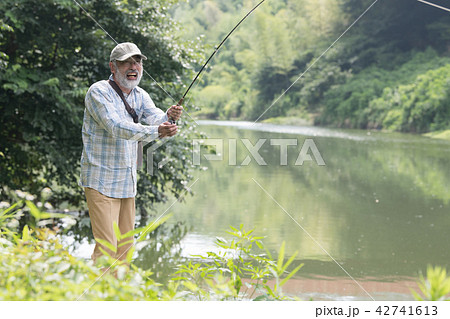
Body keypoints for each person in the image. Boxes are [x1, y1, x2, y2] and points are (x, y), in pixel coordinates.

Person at [79, 42, 183, 263]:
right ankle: (97, 296)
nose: (133, 66)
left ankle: (119, 296)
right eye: (126, 62)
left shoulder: (140, 94)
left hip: (127, 183)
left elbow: (156, 118)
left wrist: (169, 117)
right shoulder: (98, 92)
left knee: (125, 251)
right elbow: (116, 126)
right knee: (106, 249)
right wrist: (157, 131)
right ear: (113, 66)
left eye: (137, 61)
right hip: (101, 180)